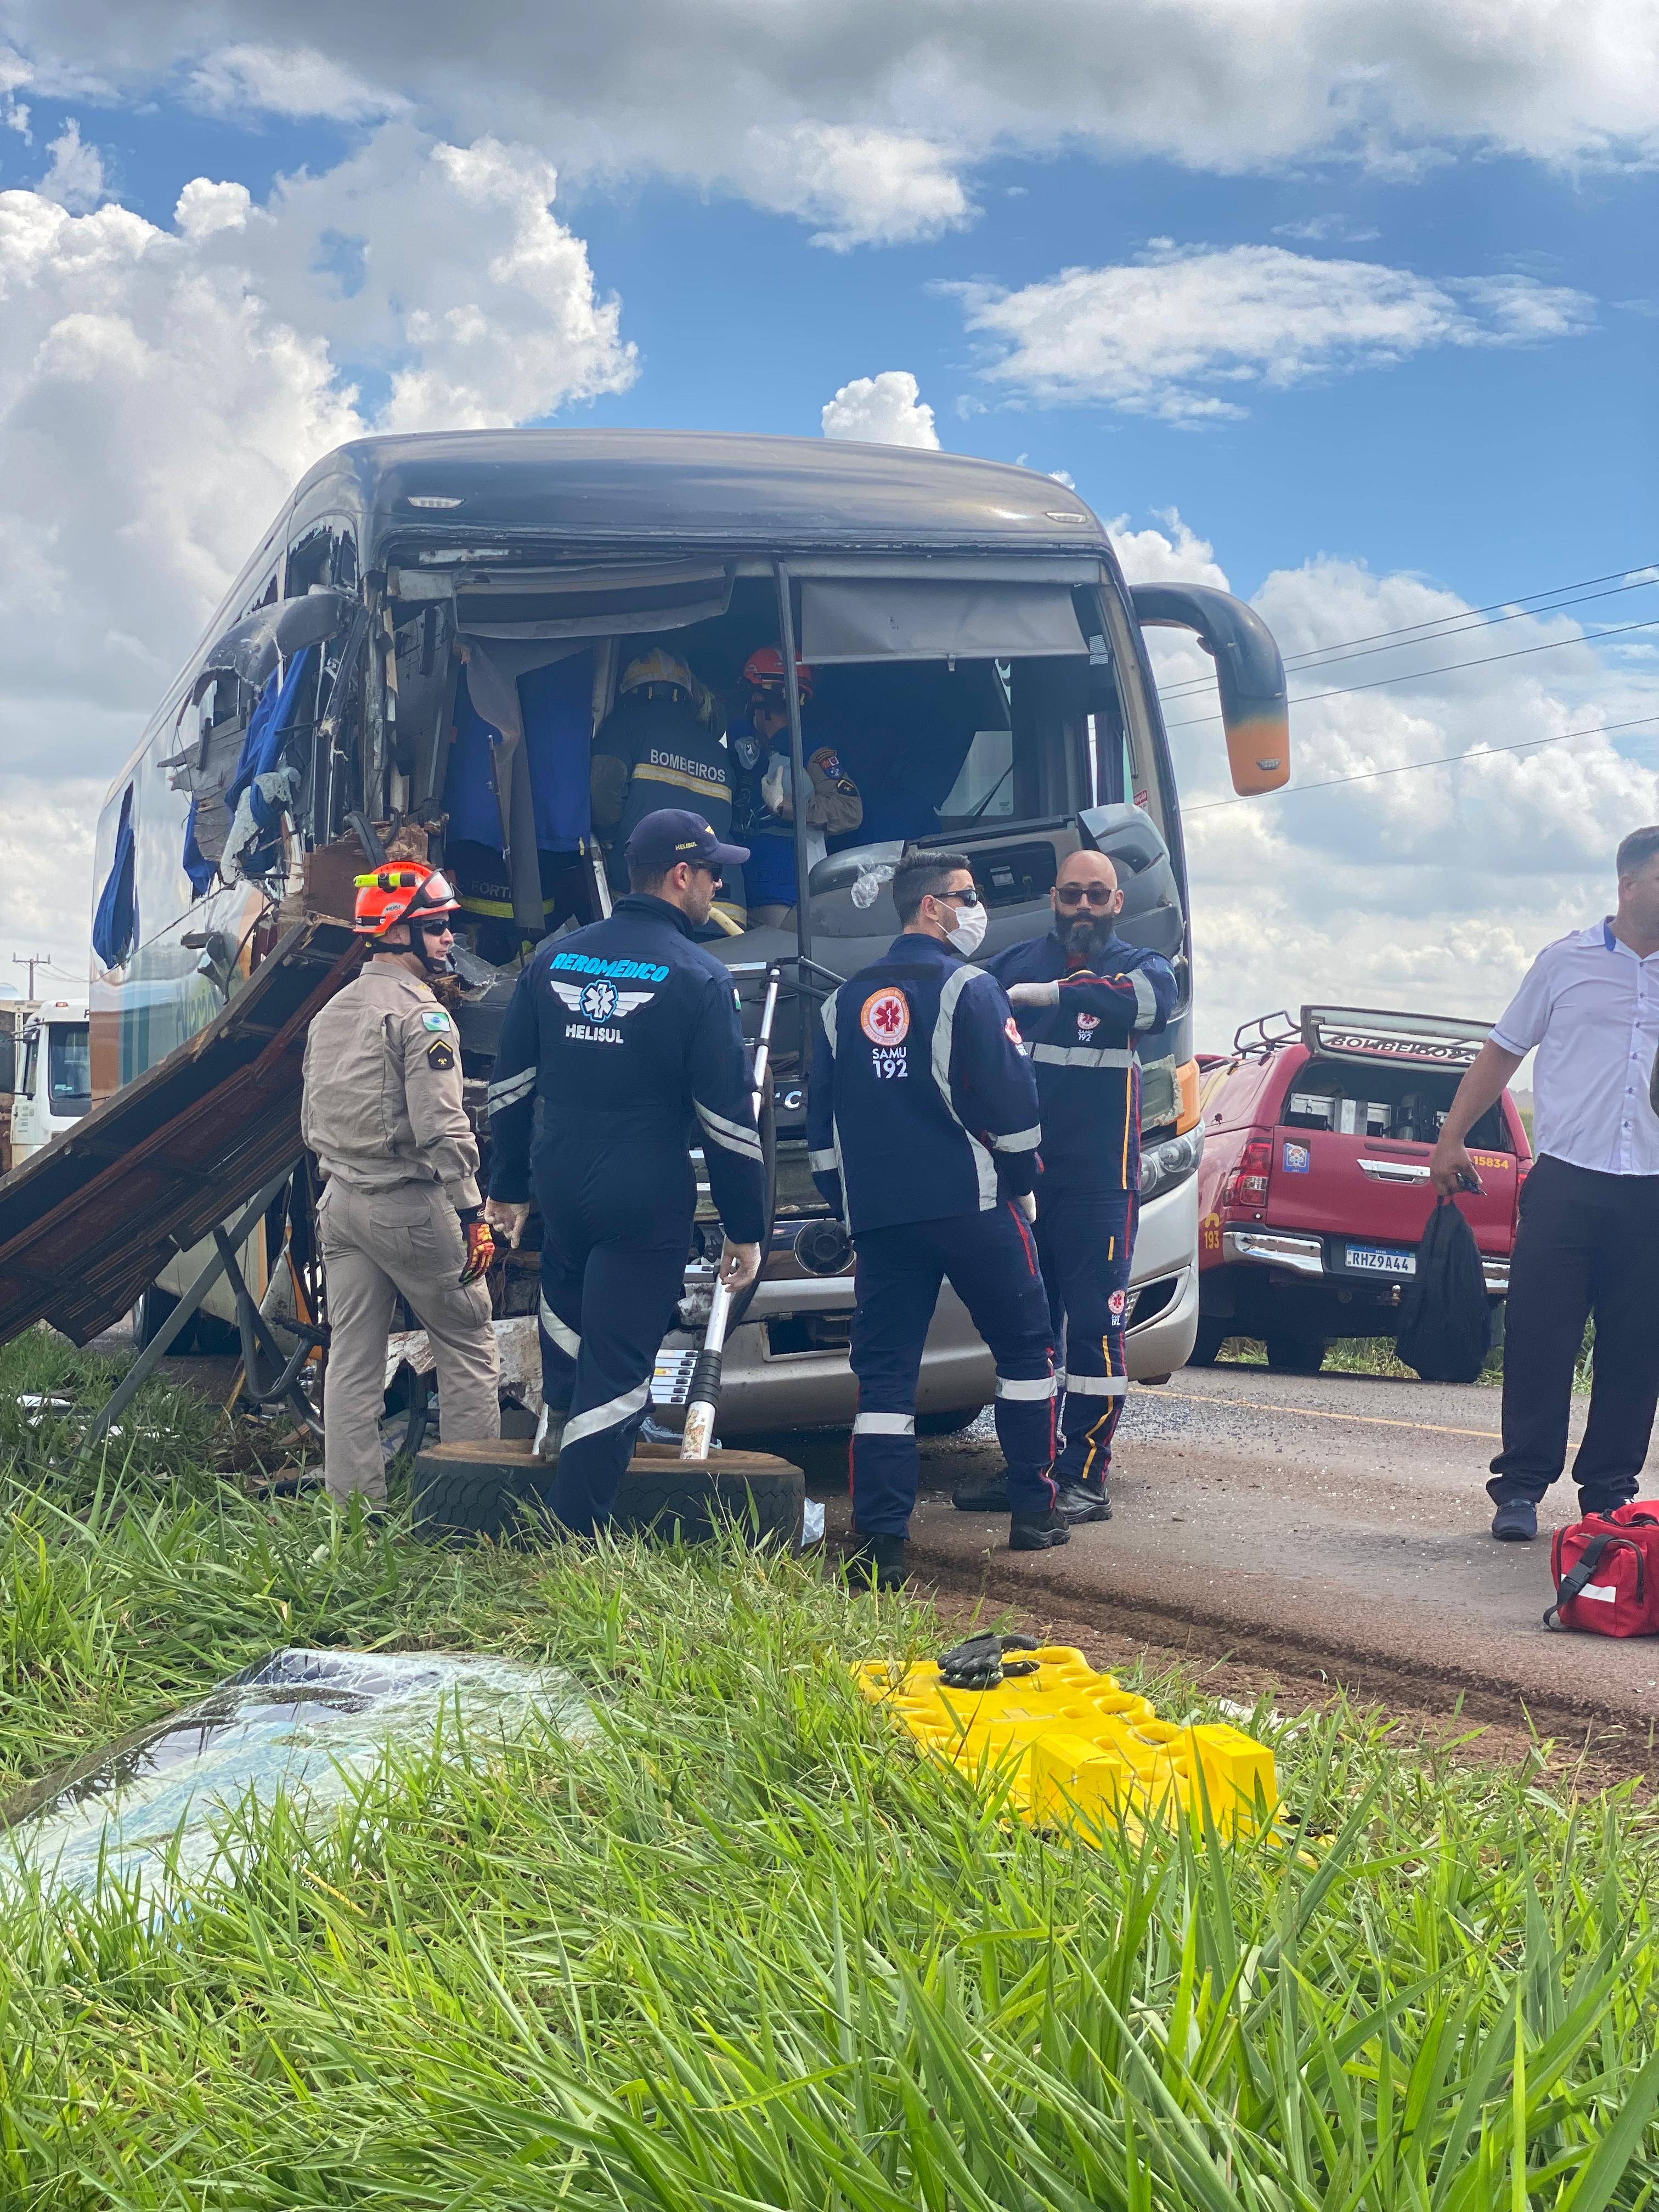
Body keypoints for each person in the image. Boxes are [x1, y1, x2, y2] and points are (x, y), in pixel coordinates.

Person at [483, 809, 765, 1534]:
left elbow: (509, 1089)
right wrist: (744, 1227)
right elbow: (728, 1122)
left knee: (571, 1332)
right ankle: (571, 1536)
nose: (718, 885)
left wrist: (507, 1186)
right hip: (645, 1193)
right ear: (681, 877)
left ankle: (562, 1458)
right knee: (620, 1365)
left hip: (561, 1186)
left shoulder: (554, 961)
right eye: (713, 873)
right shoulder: (701, 977)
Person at [807, 847, 1066, 1588]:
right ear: (932, 907)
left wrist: (847, 1205)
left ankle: (882, 1544)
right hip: (973, 1204)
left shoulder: (838, 1003)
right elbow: (1015, 1108)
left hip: (884, 1219)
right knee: (1026, 1353)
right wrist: (1023, 1181)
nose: (974, 909)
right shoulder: (972, 989)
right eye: (967, 896)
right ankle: (1033, 1512)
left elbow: (820, 1132)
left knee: (884, 1377)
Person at [1431, 825, 1659, 1542]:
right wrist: (1451, 1136)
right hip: (1566, 1183)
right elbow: (1503, 1050)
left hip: (1651, 1190)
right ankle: (1522, 1489)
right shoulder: (1564, 962)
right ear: (1629, 885)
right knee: (1540, 1339)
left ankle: (1609, 1497)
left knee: (1637, 1346)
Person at [966, 847, 1178, 1522]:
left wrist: (1055, 996)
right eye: (1070, 895)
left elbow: (1152, 1003)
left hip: (1098, 1186)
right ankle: (1031, 1470)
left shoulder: (1139, 968)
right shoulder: (1014, 963)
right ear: (1053, 899)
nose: (1082, 907)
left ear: (1117, 903)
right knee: (1030, 1333)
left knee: (1094, 1329)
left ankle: (1085, 1474)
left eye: (1096, 895)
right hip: (1026, 1183)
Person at [301, 861, 501, 1506]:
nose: (449, 939)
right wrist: (474, 1213)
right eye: (438, 927)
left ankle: (353, 1513)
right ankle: (468, 1510)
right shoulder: (425, 1017)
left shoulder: (331, 1011)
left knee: (351, 1364)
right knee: (468, 1343)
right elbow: (441, 1126)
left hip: (340, 1206)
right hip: (411, 1207)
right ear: (397, 933)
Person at [591, 650, 746, 930]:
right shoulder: (717, 750)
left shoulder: (622, 727)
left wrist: (611, 841)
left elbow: (603, 792)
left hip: (655, 904)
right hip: (722, 907)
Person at [729, 648, 862, 927]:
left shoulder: (810, 749)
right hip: (736, 887)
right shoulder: (737, 738)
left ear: (759, 699)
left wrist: (785, 806)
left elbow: (849, 809)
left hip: (785, 895)